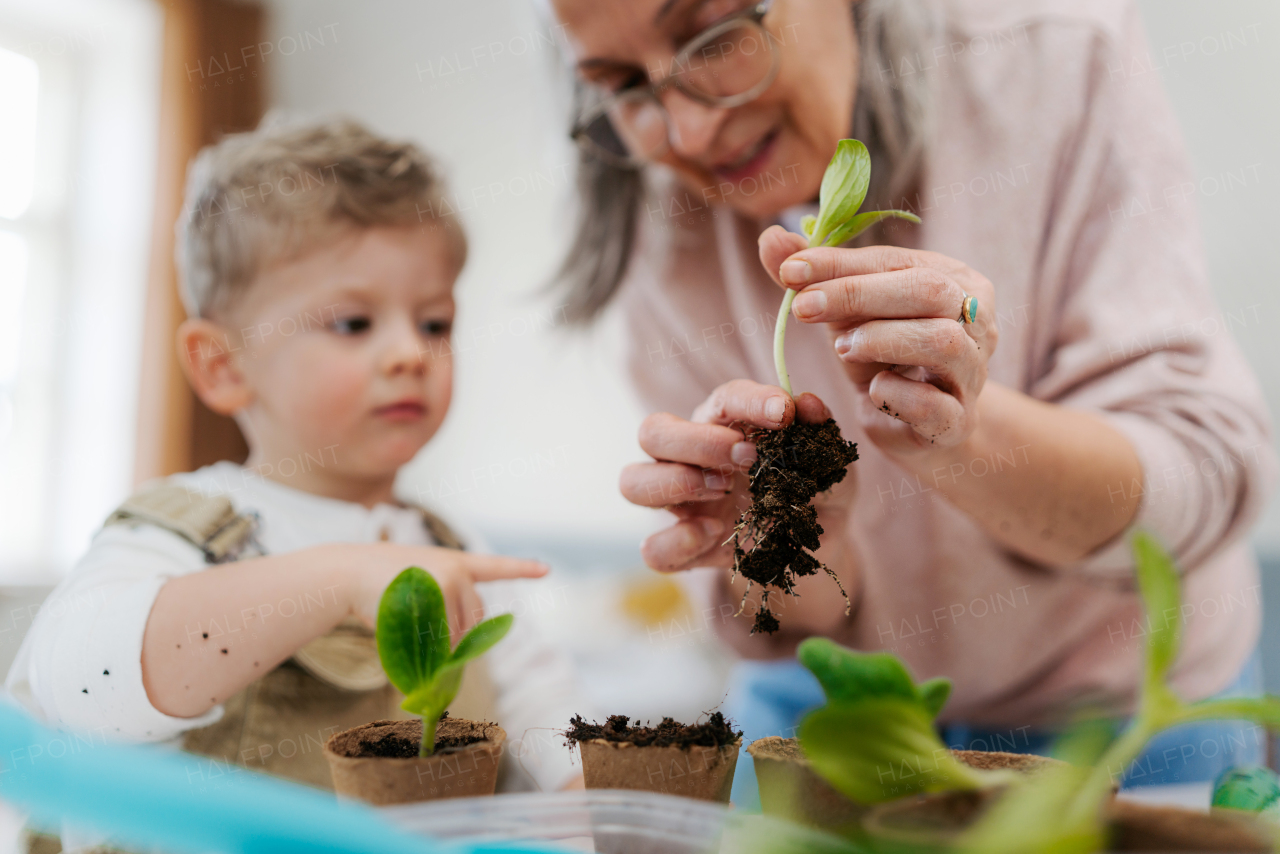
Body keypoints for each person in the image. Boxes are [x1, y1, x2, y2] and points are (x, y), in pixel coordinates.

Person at [548, 0, 1277, 803]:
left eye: (713, 35)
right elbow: (785, 617)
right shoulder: (653, 198)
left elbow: (1209, 473)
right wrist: (784, 545)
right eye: (621, 83)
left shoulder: (1057, 48)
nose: (684, 134)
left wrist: (966, 435)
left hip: (1118, 716)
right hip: (837, 714)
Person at [4, 119, 589, 814]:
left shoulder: (454, 550)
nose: (410, 352)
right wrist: (339, 579)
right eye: (352, 323)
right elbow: (76, 685)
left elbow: (554, 730)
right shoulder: (182, 530)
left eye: (434, 322)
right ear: (223, 366)